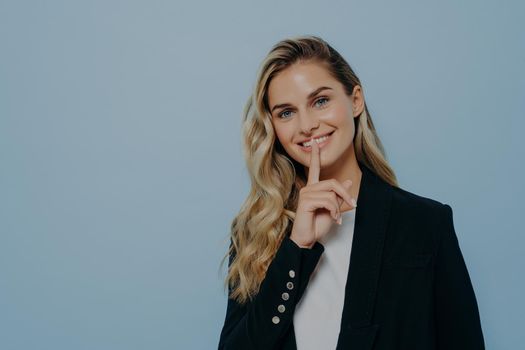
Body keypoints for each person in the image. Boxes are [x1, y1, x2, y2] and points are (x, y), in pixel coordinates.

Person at [217, 35, 485, 350]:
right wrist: (297, 246)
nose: (307, 125)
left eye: (320, 101)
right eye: (286, 112)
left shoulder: (425, 224)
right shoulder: (254, 231)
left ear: (355, 100)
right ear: (273, 127)